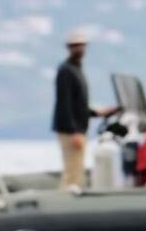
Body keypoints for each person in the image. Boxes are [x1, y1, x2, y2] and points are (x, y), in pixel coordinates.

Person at [51, 30, 118, 190]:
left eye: (81, 46)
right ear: (69, 48)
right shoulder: (66, 70)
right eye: (75, 46)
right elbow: (65, 104)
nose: (79, 49)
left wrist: (97, 113)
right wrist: (74, 131)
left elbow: (78, 104)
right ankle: (66, 204)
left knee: (77, 170)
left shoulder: (77, 69)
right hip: (70, 131)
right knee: (72, 172)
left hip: (79, 128)